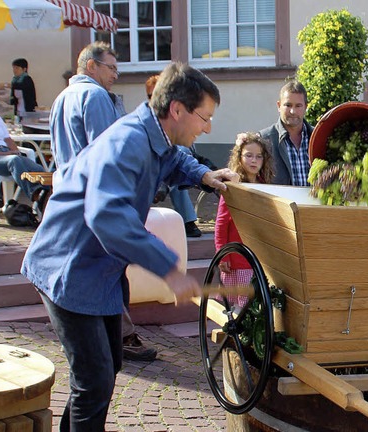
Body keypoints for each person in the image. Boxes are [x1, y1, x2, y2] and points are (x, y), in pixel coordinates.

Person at [21, 62, 238, 430]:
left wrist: (203, 174)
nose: (208, 127)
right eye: (205, 117)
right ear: (177, 110)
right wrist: (169, 269)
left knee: (107, 369)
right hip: (68, 267)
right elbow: (107, 216)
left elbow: (172, 160)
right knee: (94, 380)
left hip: (99, 270)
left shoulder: (157, 136)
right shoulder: (127, 142)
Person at [49, 42, 155, 362]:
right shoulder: (94, 95)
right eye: (111, 68)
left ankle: (109, 335)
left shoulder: (60, 98)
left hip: (70, 198)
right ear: (91, 66)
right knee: (112, 268)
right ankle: (119, 336)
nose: (115, 75)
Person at [215, 132, 273, 306]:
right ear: (239, 158)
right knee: (238, 305)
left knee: (254, 303)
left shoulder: (264, 187)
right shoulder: (232, 188)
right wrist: (222, 255)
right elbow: (221, 223)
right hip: (237, 258)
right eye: (248, 155)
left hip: (257, 255)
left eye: (258, 156)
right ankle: (232, 332)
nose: (253, 160)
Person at [146, 74, 203, 237]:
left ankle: (187, 221)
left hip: (172, 165)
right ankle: (188, 221)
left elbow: (189, 148)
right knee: (174, 166)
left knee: (178, 161)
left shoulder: (178, 117)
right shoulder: (143, 120)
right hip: (150, 168)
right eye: (150, 96)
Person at [0, 83, 49, 212]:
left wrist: (15, 150)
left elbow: (8, 139)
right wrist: (7, 154)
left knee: (35, 166)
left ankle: (49, 195)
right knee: (14, 161)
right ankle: (36, 194)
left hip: (6, 153)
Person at [259, 80, 313, 186]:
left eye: (298, 106)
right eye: (288, 105)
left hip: (312, 203)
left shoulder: (318, 137)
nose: (293, 111)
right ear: (279, 106)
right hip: (280, 202)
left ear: (306, 107)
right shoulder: (264, 140)